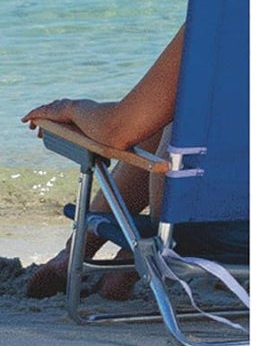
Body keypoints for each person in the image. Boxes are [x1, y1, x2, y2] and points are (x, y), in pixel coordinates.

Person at [20, 27, 184, 299]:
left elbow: (117, 129)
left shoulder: (222, 16)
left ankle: (88, 254)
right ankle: (121, 266)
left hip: (194, 228)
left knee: (175, 124)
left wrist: (69, 109)